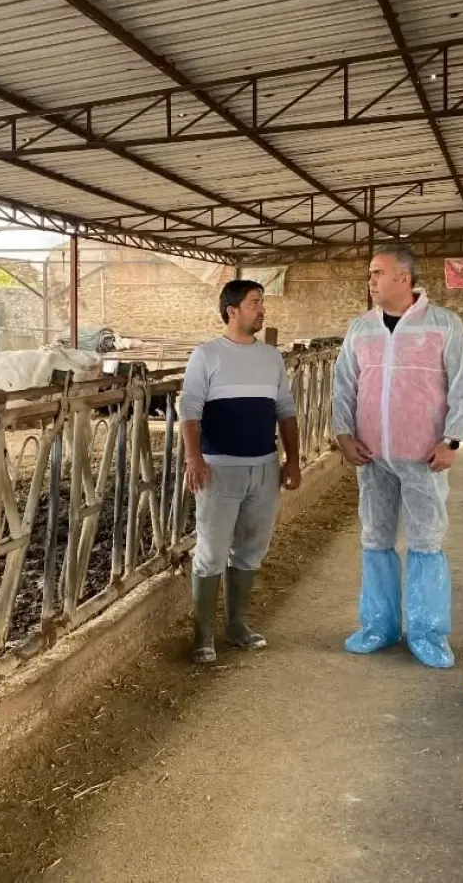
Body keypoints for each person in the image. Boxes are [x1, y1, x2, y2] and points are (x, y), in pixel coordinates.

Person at [333, 245, 463, 669]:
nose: (371, 280)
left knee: (426, 540)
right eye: (370, 274)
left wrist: (452, 440)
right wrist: (342, 434)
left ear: (404, 277)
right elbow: (343, 385)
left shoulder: (443, 325)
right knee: (375, 537)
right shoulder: (361, 329)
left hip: (422, 456)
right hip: (372, 454)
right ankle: (378, 625)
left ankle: (428, 631)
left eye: (378, 273)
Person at [180, 279, 301, 664]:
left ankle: (236, 626)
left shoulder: (271, 357)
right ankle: (203, 637)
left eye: (262, 302)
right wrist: (194, 459)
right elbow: (190, 411)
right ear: (232, 310)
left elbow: (285, 410)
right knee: (212, 552)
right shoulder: (207, 355)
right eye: (255, 303)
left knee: (250, 550)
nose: (262, 310)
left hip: (263, 467)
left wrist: (292, 459)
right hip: (219, 470)